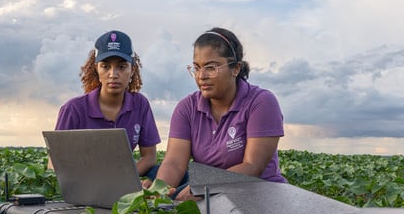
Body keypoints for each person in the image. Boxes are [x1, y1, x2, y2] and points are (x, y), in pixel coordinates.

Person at [154, 27, 286, 201]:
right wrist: (158, 194)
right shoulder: (186, 108)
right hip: (210, 199)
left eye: (211, 68)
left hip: (259, 196)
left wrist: (203, 188)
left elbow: (252, 167)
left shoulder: (261, 102)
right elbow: (174, 163)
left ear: (236, 69)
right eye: (196, 67)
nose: (201, 76)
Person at [53, 30, 161, 178]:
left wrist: (124, 179)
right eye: (105, 66)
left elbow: (149, 156)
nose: (113, 74)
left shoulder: (140, 104)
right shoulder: (73, 109)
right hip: (84, 181)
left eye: (122, 67)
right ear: (96, 68)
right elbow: (54, 161)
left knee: (164, 172)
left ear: (132, 69)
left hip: (124, 180)